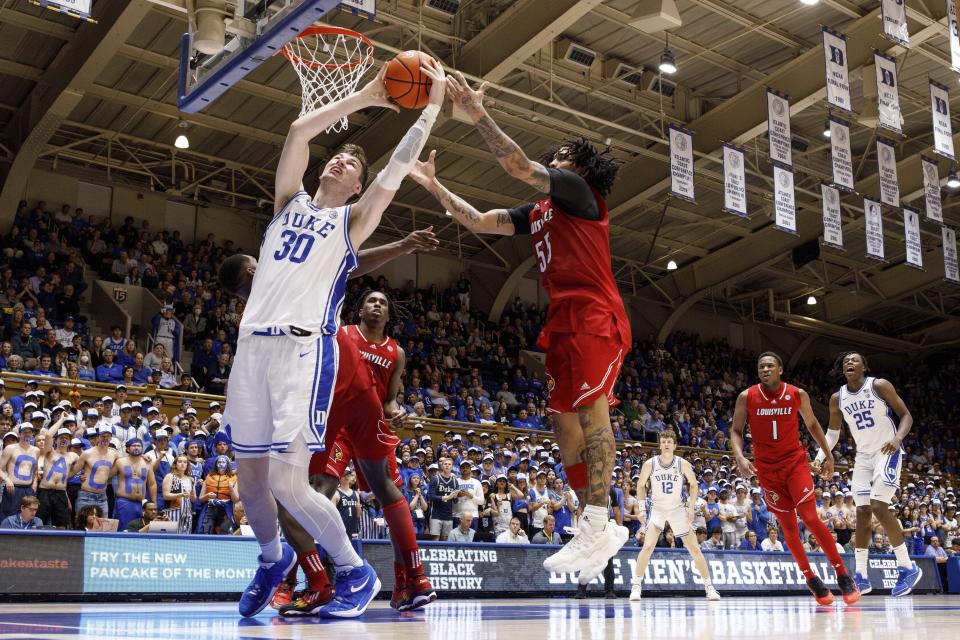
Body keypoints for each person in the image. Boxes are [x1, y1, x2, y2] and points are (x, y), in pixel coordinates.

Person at [216, 56, 446, 619]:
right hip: (252, 349)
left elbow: (394, 168)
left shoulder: (351, 223)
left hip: (302, 350)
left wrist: (432, 107)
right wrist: (365, 95)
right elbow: (298, 131)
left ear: (357, 187)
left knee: (290, 483)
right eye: (338, 155)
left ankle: (354, 570)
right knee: (250, 481)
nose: (340, 160)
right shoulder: (286, 204)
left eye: (350, 165)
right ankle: (272, 558)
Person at [410, 74, 630, 582]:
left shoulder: (580, 192)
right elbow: (481, 222)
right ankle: (595, 527)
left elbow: (516, 165)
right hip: (563, 322)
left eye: (561, 153)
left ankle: (599, 524)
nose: (554, 158)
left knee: (594, 419)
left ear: (577, 164)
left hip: (595, 316)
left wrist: (476, 112)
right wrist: (435, 186)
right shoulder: (541, 211)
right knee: (562, 426)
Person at [278, 283, 439, 615]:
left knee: (389, 494)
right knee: (316, 491)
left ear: (388, 314)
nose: (377, 305)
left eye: (382, 302)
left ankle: (411, 581)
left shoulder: (396, 353)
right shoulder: (344, 334)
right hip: (338, 424)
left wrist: (395, 412)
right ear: (361, 309)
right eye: (371, 301)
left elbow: (390, 398)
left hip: (372, 424)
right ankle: (296, 579)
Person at [730, 352, 859, 606]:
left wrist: (828, 455)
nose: (765, 369)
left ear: (780, 369)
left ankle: (842, 575)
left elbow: (812, 425)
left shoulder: (797, 394)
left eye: (769, 365)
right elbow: (735, 430)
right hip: (767, 471)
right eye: (761, 366)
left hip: (794, 464)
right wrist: (740, 458)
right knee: (788, 527)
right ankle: (812, 580)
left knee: (810, 517)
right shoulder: (747, 396)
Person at [814, 352, 922, 597]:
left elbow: (906, 416)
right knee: (862, 512)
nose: (849, 363)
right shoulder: (837, 398)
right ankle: (861, 575)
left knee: (878, 505)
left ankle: (907, 567)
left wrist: (897, 439)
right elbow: (832, 434)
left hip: (887, 450)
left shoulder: (879, 385)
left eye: (854, 360)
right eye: (845, 362)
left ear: (865, 366)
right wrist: (819, 458)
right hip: (862, 457)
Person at [629, 430, 719, 601]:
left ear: (675, 445)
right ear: (660, 444)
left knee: (694, 548)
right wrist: (641, 509)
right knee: (647, 547)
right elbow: (640, 486)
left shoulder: (682, 463)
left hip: (677, 509)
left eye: (669, 441)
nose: (666, 444)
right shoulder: (650, 463)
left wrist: (691, 507)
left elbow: (693, 485)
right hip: (657, 509)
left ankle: (709, 587)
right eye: (663, 441)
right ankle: (636, 586)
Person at [36, 419, 77, 528]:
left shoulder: (73, 456)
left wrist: (83, 476)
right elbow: (49, 435)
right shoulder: (50, 452)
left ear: (69, 441)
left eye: (66, 438)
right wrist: (62, 419)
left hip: (61, 493)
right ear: (56, 441)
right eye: (61, 437)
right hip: (45, 492)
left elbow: (81, 467)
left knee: (62, 525)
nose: (64, 440)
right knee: (38, 523)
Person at [112, 438, 157, 532]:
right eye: (134, 445)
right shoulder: (120, 462)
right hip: (124, 502)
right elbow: (107, 476)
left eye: (139, 446)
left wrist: (153, 501)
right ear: (128, 449)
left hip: (141, 503)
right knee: (124, 529)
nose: (136, 448)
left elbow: (152, 484)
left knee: (141, 529)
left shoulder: (147, 463)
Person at [0, 424, 39, 521]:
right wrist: (7, 479)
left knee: (28, 517)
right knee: (9, 517)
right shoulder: (10, 448)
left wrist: (34, 483)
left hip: (28, 489)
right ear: (19, 434)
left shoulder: (36, 450)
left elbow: (35, 470)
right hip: (13, 488)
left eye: (29, 432)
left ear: (32, 434)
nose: (27, 434)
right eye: (24, 432)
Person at [428, 457, 459, 541]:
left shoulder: (455, 481)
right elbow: (431, 496)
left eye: (449, 464)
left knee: (446, 538)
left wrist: (456, 496)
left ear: (452, 467)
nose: (447, 466)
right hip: (436, 514)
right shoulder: (436, 479)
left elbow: (456, 501)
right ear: (441, 466)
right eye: (445, 464)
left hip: (448, 514)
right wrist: (445, 497)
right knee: (435, 538)